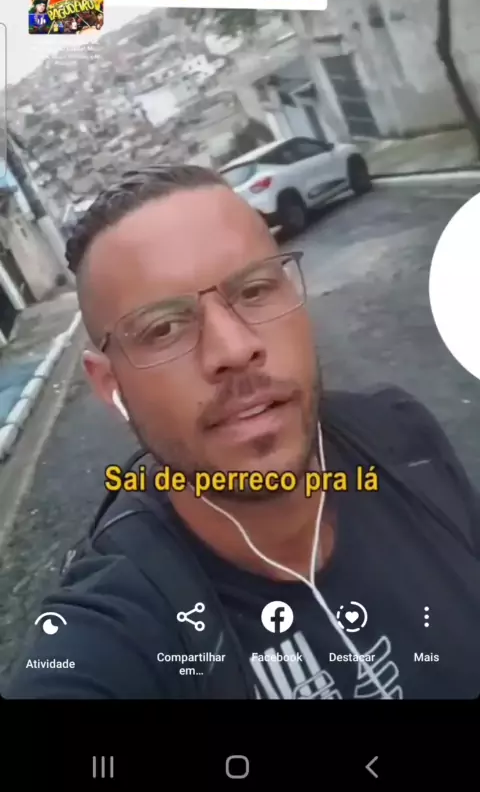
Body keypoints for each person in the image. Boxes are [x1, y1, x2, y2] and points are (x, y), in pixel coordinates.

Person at [6, 165, 480, 700]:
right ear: (111, 385)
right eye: (163, 328)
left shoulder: (401, 435)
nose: (234, 349)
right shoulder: (117, 629)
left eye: (254, 290)